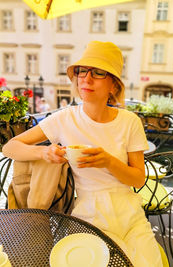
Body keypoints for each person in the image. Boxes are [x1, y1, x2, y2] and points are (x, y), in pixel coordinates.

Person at [3, 41, 163, 267]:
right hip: (88, 213)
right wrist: (44, 152)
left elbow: (137, 178)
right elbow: (10, 147)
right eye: (82, 71)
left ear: (113, 86)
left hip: (129, 213)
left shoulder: (130, 122)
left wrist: (108, 161)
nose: (86, 79)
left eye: (98, 72)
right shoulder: (65, 118)